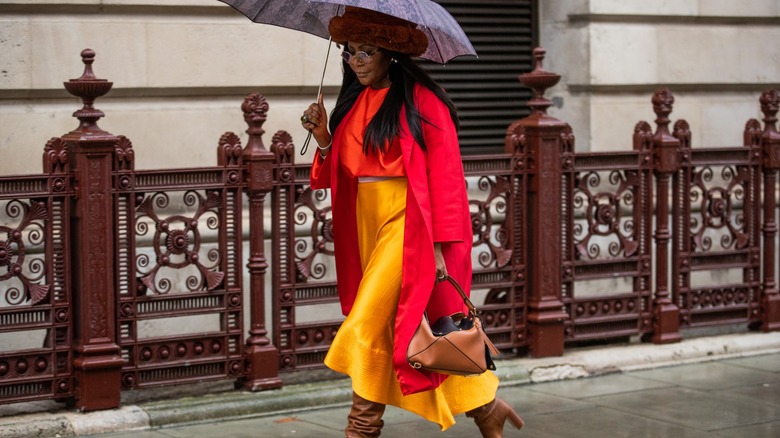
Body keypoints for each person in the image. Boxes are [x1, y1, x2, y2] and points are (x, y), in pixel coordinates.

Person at [300, 7, 523, 437]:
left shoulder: (425, 102)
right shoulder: (353, 102)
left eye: (367, 51)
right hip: (368, 225)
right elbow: (343, 172)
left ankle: (359, 429)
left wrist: (440, 248)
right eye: (350, 52)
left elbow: (447, 180)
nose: (356, 60)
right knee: (393, 328)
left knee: (366, 321)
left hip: (411, 227)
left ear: (391, 54)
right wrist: (325, 136)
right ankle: (486, 408)